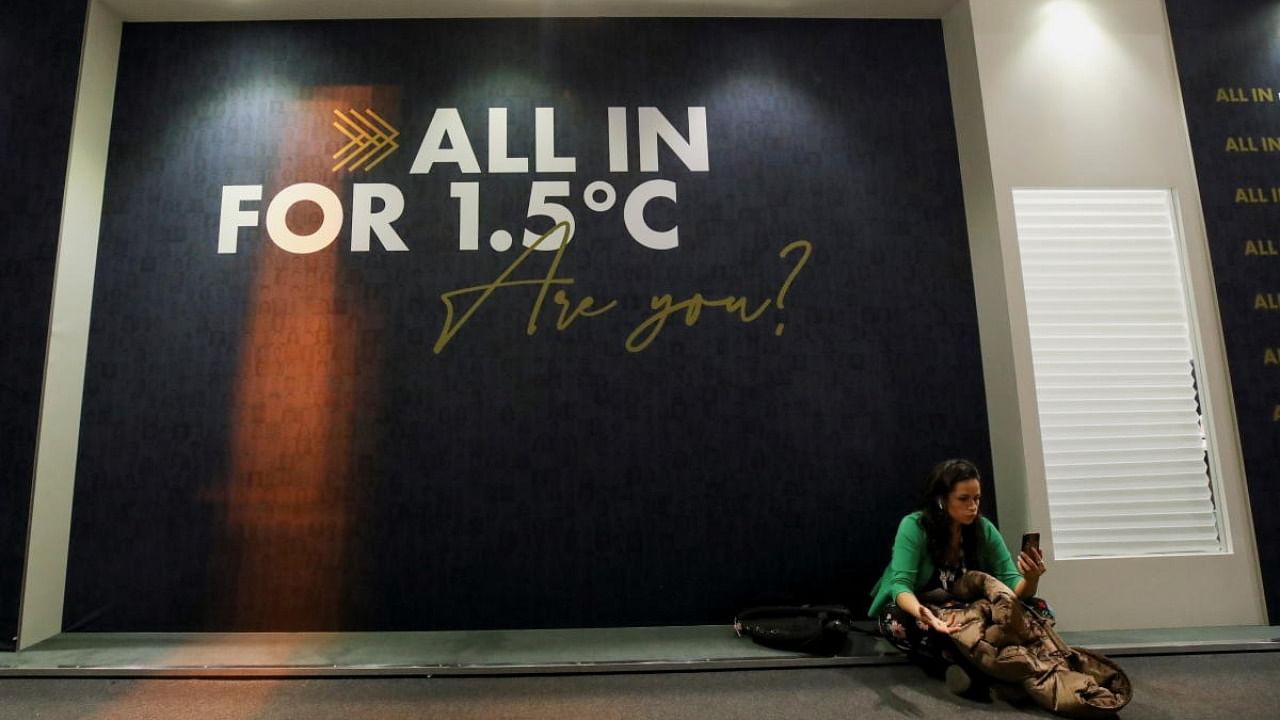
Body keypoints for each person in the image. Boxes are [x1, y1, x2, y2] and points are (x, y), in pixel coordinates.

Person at [867, 458, 1049, 695]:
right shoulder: (914, 526)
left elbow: (1012, 586)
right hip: (927, 611)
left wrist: (1032, 578)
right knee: (896, 621)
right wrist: (925, 615)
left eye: (977, 498)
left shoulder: (983, 529)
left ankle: (977, 666)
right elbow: (900, 586)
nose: (973, 506)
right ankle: (983, 668)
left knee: (1039, 609)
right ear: (941, 500)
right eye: (963, 499)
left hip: (970, 613)